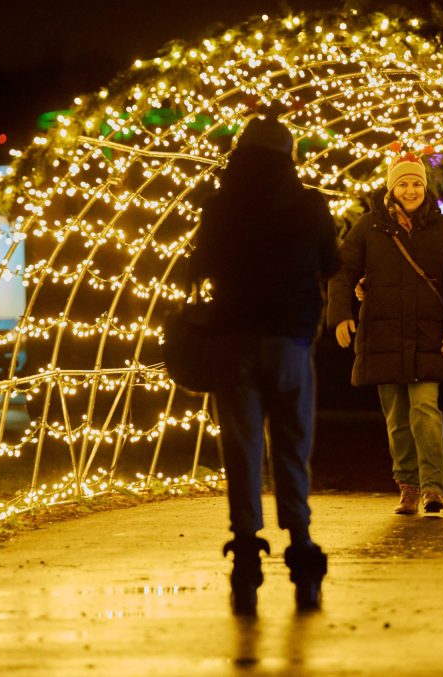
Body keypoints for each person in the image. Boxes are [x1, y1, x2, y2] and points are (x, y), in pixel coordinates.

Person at [191, 114, 341, 615]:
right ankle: (300, 545)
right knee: (292, 447)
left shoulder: (220, 206)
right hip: (291, 341)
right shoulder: (308, 204)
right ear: (289, 156)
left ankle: (246, 555)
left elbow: (199, 266)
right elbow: (332, 262)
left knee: (241, 446)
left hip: (232, 340)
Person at [327, 147, 443, 515]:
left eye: (416, 183)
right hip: (383, 335)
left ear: (425, 187)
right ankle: (407, 486)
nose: (410, 190)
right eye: (403, 184)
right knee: (396, 416)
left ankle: (433, 488)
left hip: (430, 335)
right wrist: (341, 314)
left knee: (425, 408)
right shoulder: (369, 227)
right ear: (391, 189)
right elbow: (343, 272)